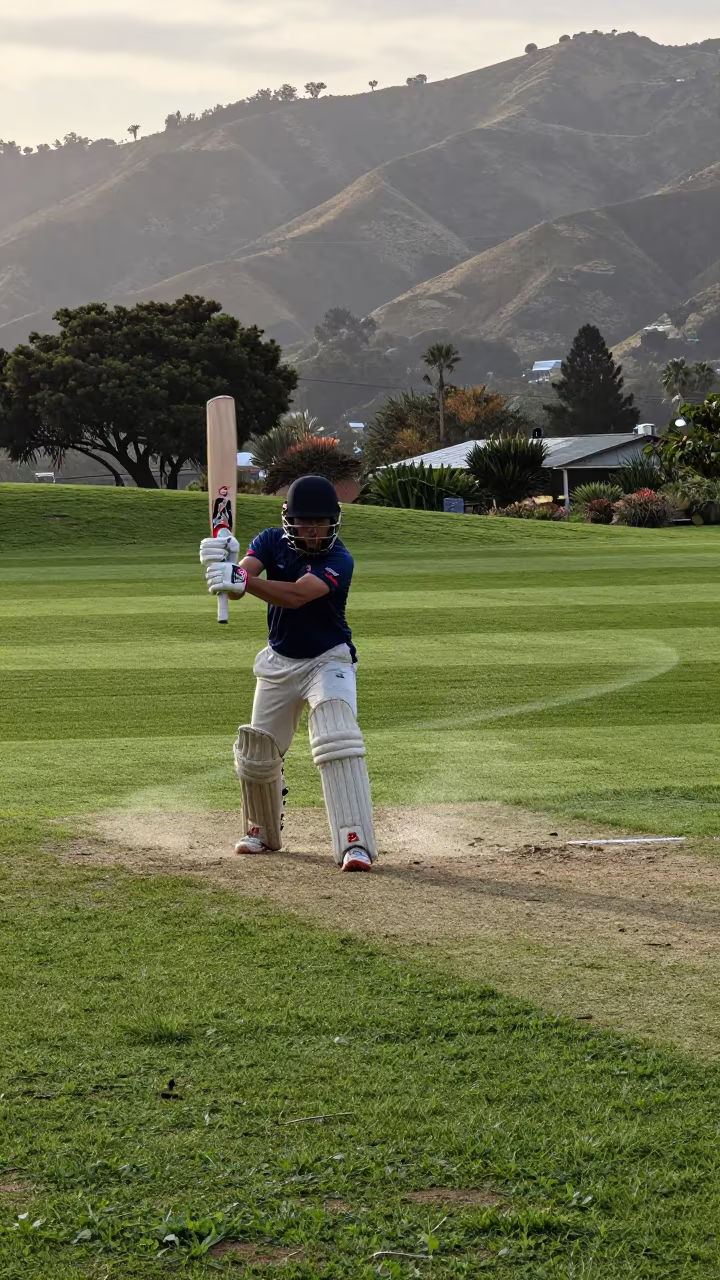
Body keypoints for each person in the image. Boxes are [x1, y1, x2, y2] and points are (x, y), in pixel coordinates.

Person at [200, 474, 377, 873]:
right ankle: (261, 831)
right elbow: (240, 579)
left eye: (320, 523)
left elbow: (296, 595)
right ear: (289, 520)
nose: (312, 531)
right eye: (304, 522)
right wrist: (222, 564)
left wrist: (243, 579)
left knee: (336, 735)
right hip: (280, 661)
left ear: (334, 522)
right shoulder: (268, 540)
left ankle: (355, 843)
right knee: (258, 750)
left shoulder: (339, 560)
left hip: (328, 660)